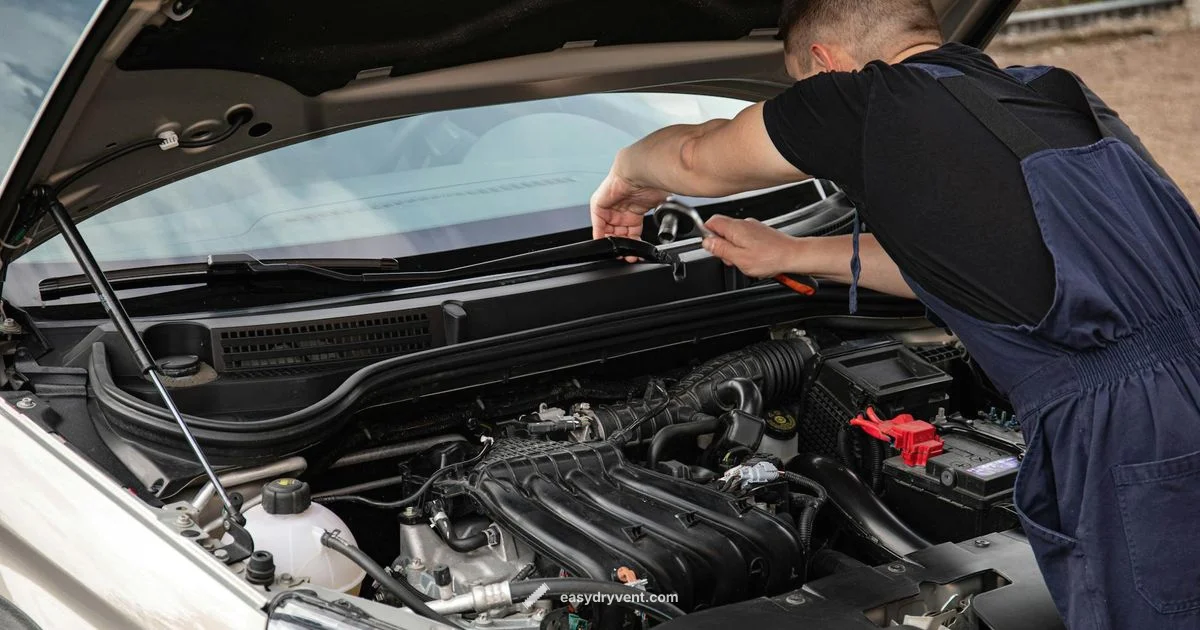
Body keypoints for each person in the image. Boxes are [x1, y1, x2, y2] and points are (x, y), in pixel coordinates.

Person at [588, 0, 1200, 627]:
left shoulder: (863, 100)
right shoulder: (1047, 92)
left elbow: (694, 156)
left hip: (1125, 427)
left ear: (825, 65)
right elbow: (973, 259)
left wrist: (621, 174)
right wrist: (794, 253)